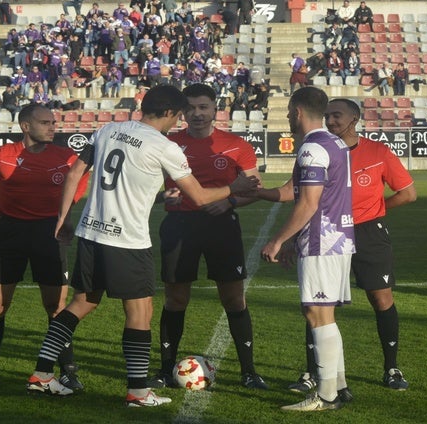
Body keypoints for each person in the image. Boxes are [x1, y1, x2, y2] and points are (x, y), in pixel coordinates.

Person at [25, 85, 259, 406]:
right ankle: (137, 392)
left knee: (81, 303)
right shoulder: (165, 147)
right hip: (127, 240)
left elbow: (74, 173)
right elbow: (201, 197)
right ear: (168, 113)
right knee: (140, 312)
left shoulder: (109, 129)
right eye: (178, 115)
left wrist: (63, 218)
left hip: (91, 231)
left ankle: (42, 374)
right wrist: (235, 186)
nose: (178, 121)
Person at [287, 98, 416, 400]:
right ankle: (313, 373)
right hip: (332, 232)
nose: (331, 121)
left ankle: (392, 368)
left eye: (337, 115)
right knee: (321, 302)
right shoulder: (324, 149)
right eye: (328, 115)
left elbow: (408, 193)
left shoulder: (377, 152)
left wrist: (373, 211)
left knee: (380, 298)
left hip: (368, 232)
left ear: (355, 118)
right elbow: (300, 191)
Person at [147, 84, 267, 391]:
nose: (197, 114)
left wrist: (229, 202)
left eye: (203, 107)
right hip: (179, 225)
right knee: (176, 299)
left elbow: (254, 187)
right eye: (190, 108)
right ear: (182, 112)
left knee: (233, 297)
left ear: (215, 109)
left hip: (222, 226)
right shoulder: (168, 144)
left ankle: (249, 371)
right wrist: (165, 198)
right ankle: (164, 369)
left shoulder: (236, 145)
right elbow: (151, 188)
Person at [0, 103, 89, 392]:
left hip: (49, 233)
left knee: (55, 306)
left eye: (53, 122)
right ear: (26, 126)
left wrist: (67, 207)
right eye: (45, 122)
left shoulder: (65, 157)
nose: (53, 127)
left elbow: (83, 179)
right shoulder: (0, 156)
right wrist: (1, 211)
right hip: (10, 233)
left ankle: (68, 371)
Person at [259, 86, 354, 412]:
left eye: (288, 111)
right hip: (338, 239)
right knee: (322, 313)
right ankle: (337, 387)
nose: (287, 116)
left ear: (298, 112)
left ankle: (326, 396)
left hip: (321, 241)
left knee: (317, 314)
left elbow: (309, 203)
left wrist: (278, 240)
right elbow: (293, 192)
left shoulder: (312, 148)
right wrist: (259, 194)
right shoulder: (336, 143)